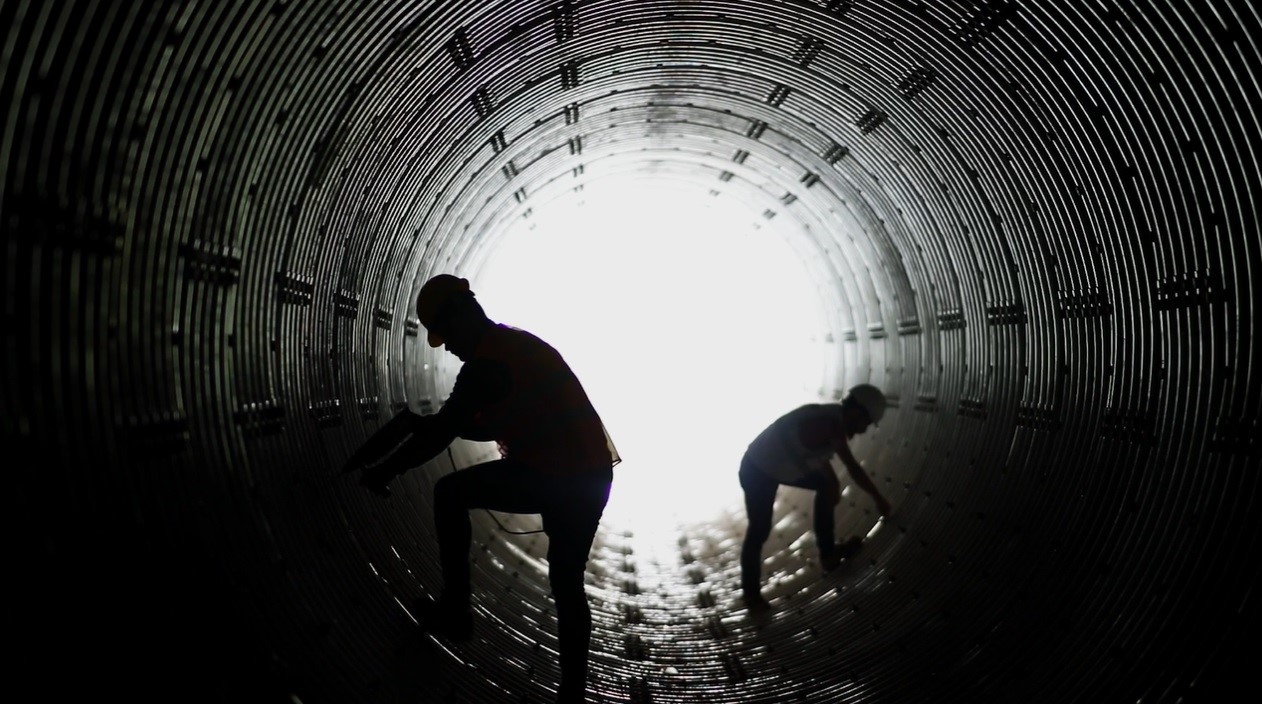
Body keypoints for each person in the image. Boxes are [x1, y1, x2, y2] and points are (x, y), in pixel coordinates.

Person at [341, 274, 619, 704]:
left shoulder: (486, 366)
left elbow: (444, 434)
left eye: (445, 334)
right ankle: (572, 694)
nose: (447, 346)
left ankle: (455, 612)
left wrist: (384, 470)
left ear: (458, 317)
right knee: (567, 582)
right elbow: (488, 423)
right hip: (590, 477)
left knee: (450, 494)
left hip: (555, 476)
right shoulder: (514, 345)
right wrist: (434, 426)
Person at [738, 384, 893, 612]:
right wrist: (879, 498)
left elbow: (816, 452)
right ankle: (751, 594)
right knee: (759, 530)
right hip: (758, 471)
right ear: (857, 412)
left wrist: (831, 481)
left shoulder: (831, 417)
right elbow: (851, 466)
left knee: (825, 485)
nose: (865, 429)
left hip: (776, 466)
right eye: (866, 422)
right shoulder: (830, 424)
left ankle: (828, 554)